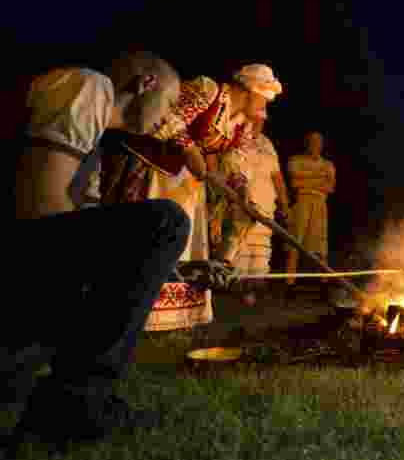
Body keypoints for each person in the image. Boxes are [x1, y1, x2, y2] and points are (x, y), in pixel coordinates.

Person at [5, 52, 190, 449]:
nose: (173, 118)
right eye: (173, 103)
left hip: (31, 247)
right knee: (165, 221)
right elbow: (40, 207)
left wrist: (171, 268)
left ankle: (69, 393)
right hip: (18, 247)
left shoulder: (99, 142)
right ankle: (77, 402)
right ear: (145, 84)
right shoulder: (88, 85)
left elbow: (79, 229)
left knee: (155, 230)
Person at [100, 63, 282, 330]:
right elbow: (165, 113)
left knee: (176, 245)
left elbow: (235, 162)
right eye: (265, 97)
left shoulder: (241, 124)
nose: (266, 105)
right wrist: (189, 150)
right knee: (139, 240)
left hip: (183, 185)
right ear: (249, 91)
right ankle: (120, 314)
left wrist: (241, 190)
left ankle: (164, 320)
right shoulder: (208, 91)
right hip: (150, 168)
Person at [212, 116, 290, 304]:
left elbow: (277, 176)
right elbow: (226, 167)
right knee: (239, 242)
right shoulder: (234, 138)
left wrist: (285, 204)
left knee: (260, 249)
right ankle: (232, 288)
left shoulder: (267, 143)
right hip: (241, 201)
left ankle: (253, 288)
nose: (258, 123)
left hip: (265, 203)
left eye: (262, 120)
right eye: (255, 119)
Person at [284, 131, 334, 285]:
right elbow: (294, 184)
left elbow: (330, 187)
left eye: (318, 142)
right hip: (301, 202)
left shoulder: (328, 165)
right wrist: (319, 179)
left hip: (319, 204)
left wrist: (304, 178)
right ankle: (289, 283)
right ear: (307, 143)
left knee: (321, 244)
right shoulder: (295, 160)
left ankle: (323, 283)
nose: (315, 145)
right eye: (312, 141)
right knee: (295, 242)